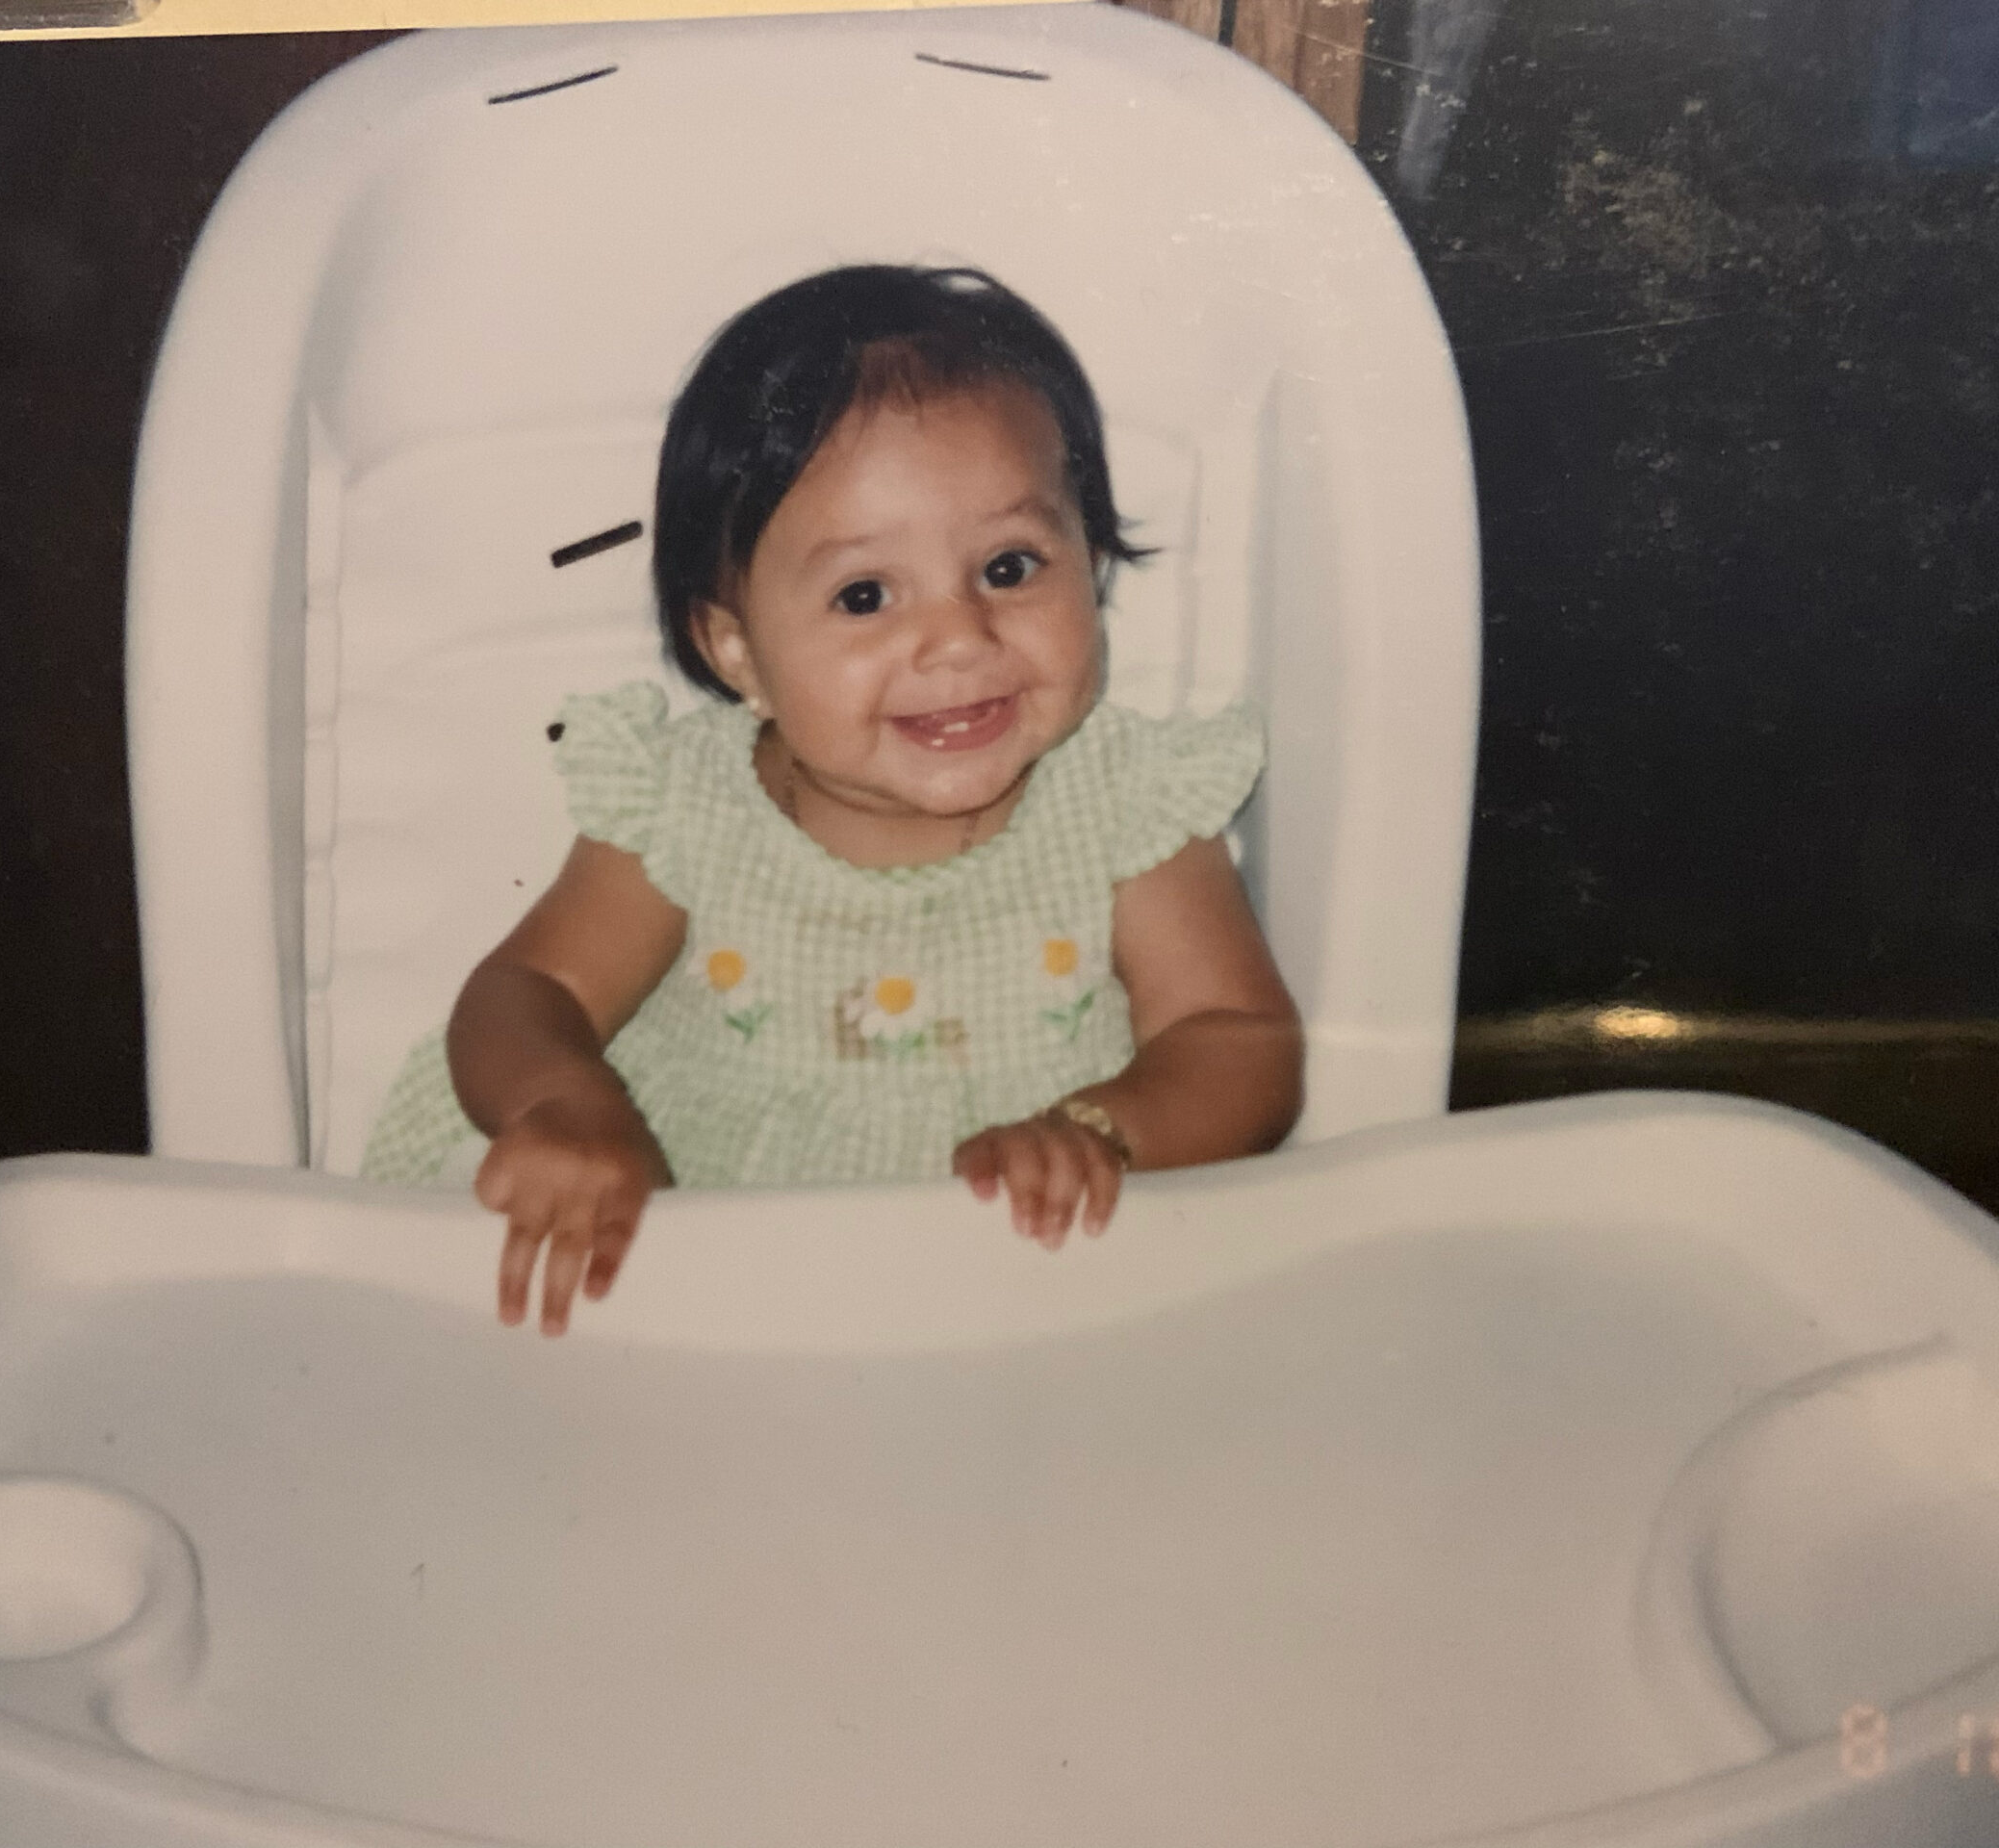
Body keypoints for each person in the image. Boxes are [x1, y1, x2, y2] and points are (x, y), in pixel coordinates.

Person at [364, 265, 1302, 1335]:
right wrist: (567, 1107)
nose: (957, 638)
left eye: (1009, 566)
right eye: (865, 596)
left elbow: (1237, 1039)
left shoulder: (1124, 804)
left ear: (1089, 566)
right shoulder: (687, 808)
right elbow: (529, 991)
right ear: (735, 649)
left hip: (1022, 1282)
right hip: (703, 1271)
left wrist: (1105, 1130)